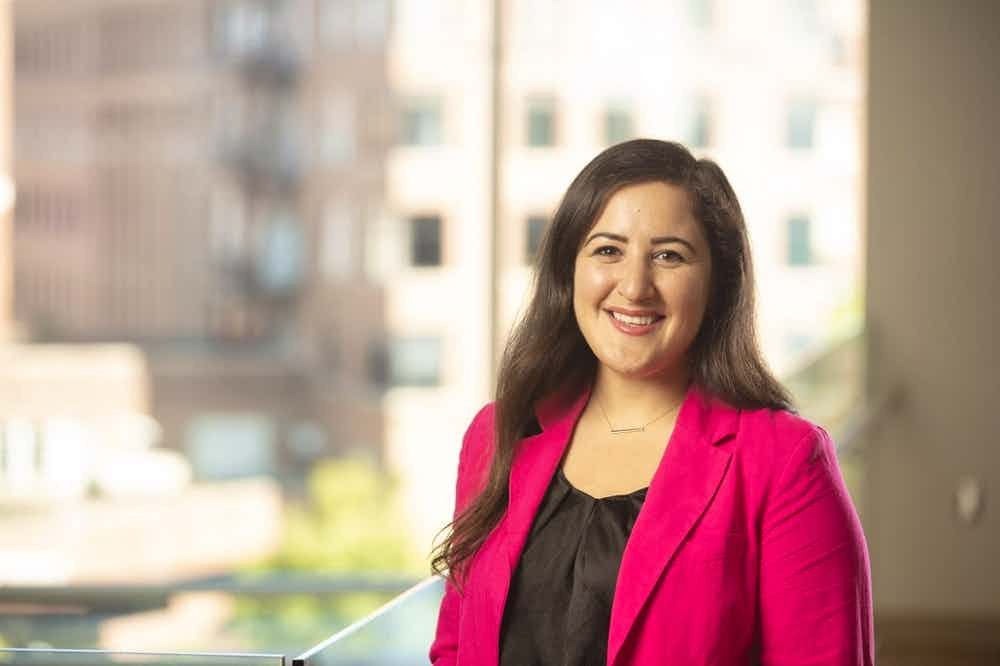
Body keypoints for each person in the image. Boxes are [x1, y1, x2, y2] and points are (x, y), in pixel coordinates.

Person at [429, 139, 874, 665]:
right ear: (569, 268)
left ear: (717, 283)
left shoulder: (784, 462)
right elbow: (456, 649)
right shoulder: (496, 434)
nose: (635, 286)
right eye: (607, 250)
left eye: (669, 255)